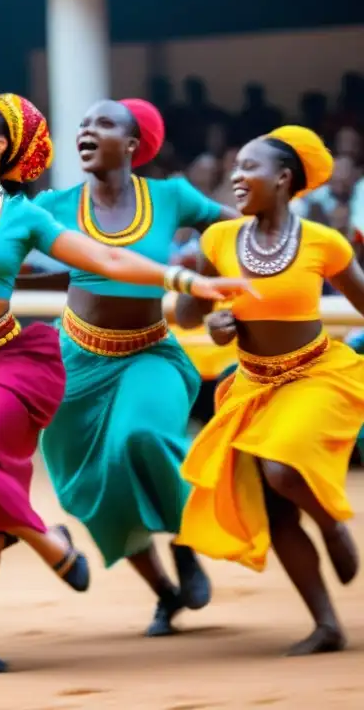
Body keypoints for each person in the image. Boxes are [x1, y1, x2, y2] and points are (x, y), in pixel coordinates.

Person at [0, 19, 254, 672]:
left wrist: (185, 276)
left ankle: (48, 537)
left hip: (2, 364)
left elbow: (108, 261)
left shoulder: (27, 214)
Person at [24, 99, 239, 637]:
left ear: (134, 143)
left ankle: (187, 541)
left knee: (138, 437)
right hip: (75, 360)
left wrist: (207, 291)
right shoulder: (53, 204)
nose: (85, 131)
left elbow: (231, 231)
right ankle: (165, 593)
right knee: (93, 483)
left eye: (102, 123)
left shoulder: (170, 197)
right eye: (83, 124)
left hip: (149, 352)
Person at [175, 125, 363, 656]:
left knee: (281, 469)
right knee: (278, 509)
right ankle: (326, 624)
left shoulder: (323, 242)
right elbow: (192, 312)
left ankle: (331, 526)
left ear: (283, 179)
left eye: (249, 167)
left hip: (316, 374)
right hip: (253, 383)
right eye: (235, 167)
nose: (236, 175)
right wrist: (211, 319)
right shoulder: (216, 240)